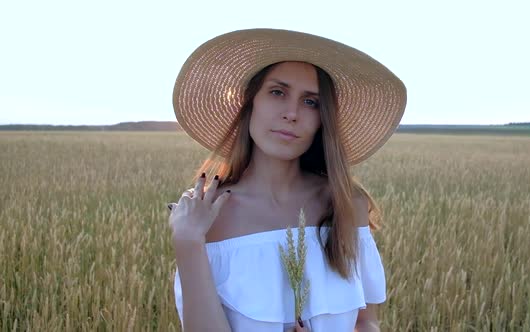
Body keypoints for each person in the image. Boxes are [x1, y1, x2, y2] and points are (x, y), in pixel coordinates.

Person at [168, 28, 406, 332]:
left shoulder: (345, 204)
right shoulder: (208, 217)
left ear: (323, 119)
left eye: (311, 102)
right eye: (277, 92)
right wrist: (187, 241)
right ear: (250, 102)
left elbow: (365, 321)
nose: (291, 113)